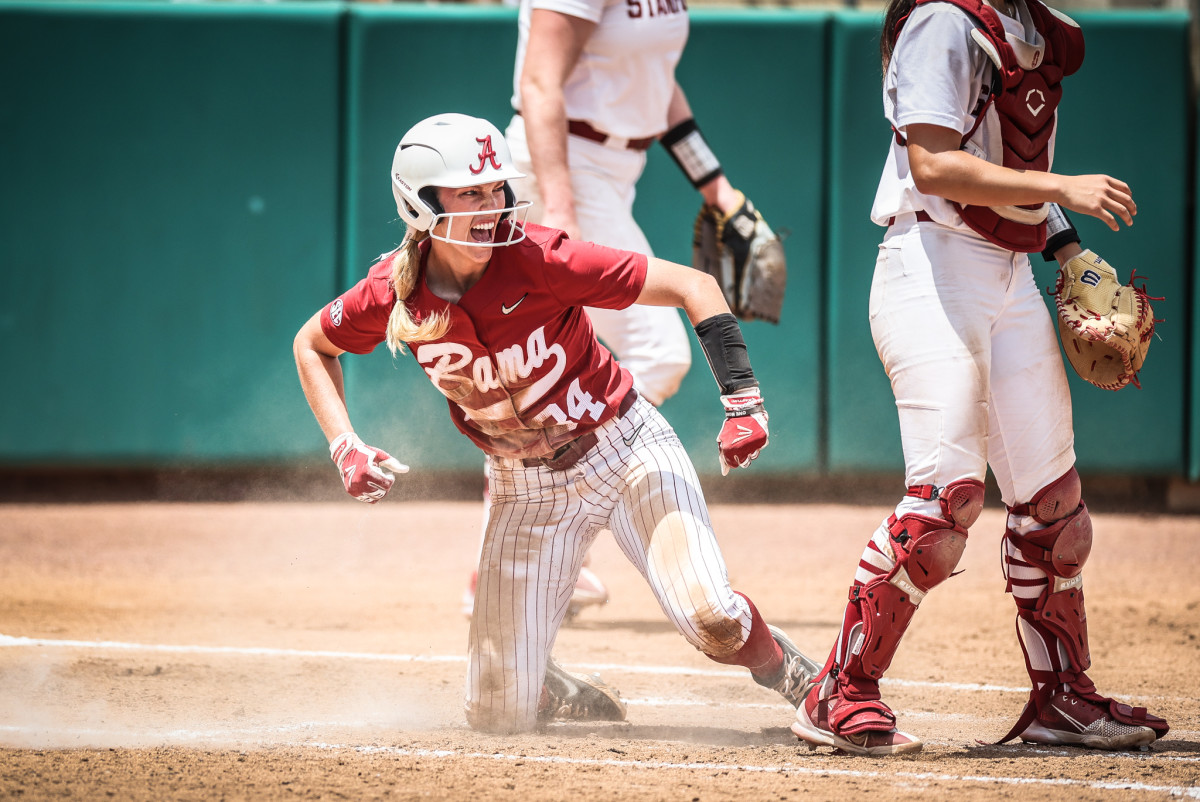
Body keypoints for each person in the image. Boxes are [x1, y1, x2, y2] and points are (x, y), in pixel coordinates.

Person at [293, 112, 818, 733]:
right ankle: (543, 684)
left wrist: (742, 400)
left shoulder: (541, 256)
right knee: (495, 714)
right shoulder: (393, 290)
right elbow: (312, 344)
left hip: (623, 449)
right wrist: (344, 445)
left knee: (712, 619)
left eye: (496, 189)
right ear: (420, 202)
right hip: (524, 489)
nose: (492, 205)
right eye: (471, 192)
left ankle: (811, 685)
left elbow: (694, 284)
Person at [790, 0, 1171, 757]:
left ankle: (1062, 698)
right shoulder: (942, 19)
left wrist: (1066, 250)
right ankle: (840, 691)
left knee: (1055, 512)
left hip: (1010, 272)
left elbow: (1017, 169)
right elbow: (933, 162)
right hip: (930, 266)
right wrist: (1066, 191)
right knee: (943, 506)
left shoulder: (1032, 24)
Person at [456, 0, 769, 619]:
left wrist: (717, 187)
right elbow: (540, 83)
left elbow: (655, 79)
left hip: (614, 170)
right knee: (661, 351)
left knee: (575, 368)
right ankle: (529, 500)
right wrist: (562, 215)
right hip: (563, 167)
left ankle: (529, 518)